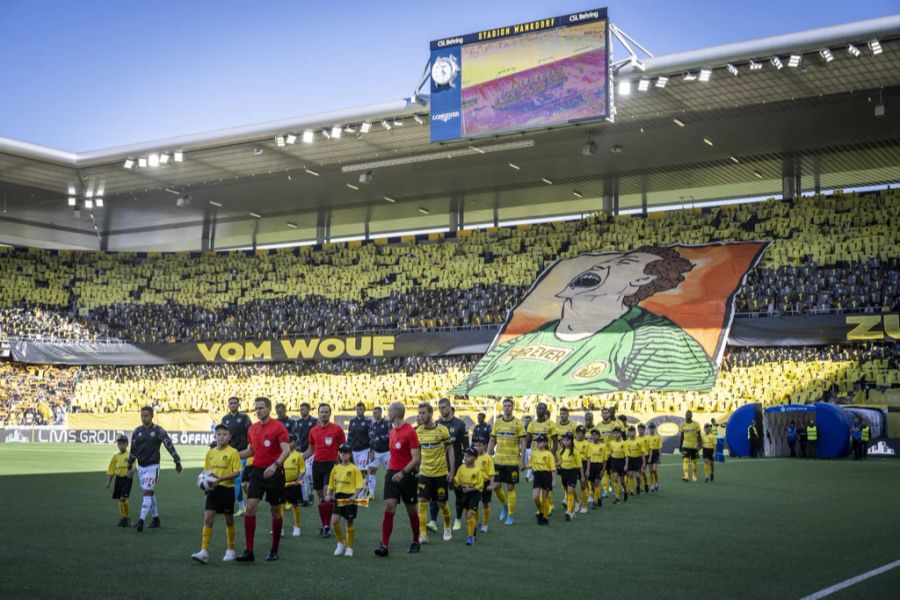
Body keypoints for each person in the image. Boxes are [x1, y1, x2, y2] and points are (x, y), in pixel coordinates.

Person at [452, 247, 717, 396]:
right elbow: (465, 389)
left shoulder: (655, 337)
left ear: (640, 281)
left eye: (625, 263)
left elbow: (676, 390)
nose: (599, 267)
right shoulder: (523, 340)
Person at [235, 397, 291, 562]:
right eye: (256, 408)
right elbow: (251, 451)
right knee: (250, 508)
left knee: (275, 510)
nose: (258, 411)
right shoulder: (252, 429)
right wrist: (233, 454)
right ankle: (249, 551)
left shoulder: (278, 427)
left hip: (275, 473)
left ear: (269, 408)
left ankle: (274, 549)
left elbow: (286, 449)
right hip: (258, 472)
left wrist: (275, 465)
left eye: (261, 408)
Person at [375, 402, 422, 557]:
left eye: (389, 411)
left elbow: (416, 458)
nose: (387, 413)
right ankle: (384, 545)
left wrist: (403, 473)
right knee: (389, 507)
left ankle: (416, 541)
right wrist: (393, 470)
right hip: (392, 473)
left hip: (406, 475)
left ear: (394, 413)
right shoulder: (392, 431)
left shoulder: (410, 432)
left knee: (411, 510)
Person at [127, 406, 182, 532]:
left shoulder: (158, 430)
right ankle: (156, 519)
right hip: (141, 467)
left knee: (146, 492)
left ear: (152, 416)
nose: (143, 418)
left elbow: (169, 444)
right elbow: (133, 450)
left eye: (146, 415)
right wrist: (129, 465)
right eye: (142, 415)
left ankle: (140, 521)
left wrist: (176, 460)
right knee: (149, 493)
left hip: (153, 466)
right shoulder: (137, 431)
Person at [191, 424, 241, 564]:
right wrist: (205, 486)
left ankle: (231, 549)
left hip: (227, 489)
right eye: (219, 434)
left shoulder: (233, 452)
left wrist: (220, 479)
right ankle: (204, 551)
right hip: (213, 490)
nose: (221, 436)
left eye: (225, 434)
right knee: (208, 519)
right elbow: (206, 473)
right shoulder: (210, 453)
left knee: (228, 519)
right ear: (215, 436)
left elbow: (237, 472)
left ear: (229, 437)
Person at [304, 403, 346, 538]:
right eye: (321, 412)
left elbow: (342, 447)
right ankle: (324, 524)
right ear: (318, 414)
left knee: (327, 496)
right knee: (321, 497)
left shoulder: (337, 429)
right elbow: (310, 449)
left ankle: (327, 526)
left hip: (331, 465)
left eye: (326, 412)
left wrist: (343, 464)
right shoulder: (313, 430)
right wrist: (299, 457)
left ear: (330, 413)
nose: (324, 414)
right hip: (317, 465)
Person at [415, 402, 454, 543]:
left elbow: (450, 450)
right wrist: (416, 469)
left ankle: (447, 527)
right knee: (422, 501)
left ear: (431, 414)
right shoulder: (418, 432)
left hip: (440, 474)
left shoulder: (442, 430)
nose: (421, 416)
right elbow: (417, 453)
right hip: (424, 474)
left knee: (442, 504)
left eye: (424, 413)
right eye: (419, 413)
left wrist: (452, 471)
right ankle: (423, 534)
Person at [488, 398, 526, 526]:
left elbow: (523, 442)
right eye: (505, 406)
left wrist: (522, 460)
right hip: (499, 460)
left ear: (513, 407)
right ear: (502, 407)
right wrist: (488, 457)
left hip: (512, 461)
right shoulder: (497, 423)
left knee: (510, 487)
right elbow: (492, 441)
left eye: (509, 405)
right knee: (496, 486)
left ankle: (510, 515)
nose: (507, 408)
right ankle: (504, 505)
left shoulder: (518, 423)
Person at [325, 445, 365, 558]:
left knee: (349, 522)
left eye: (346, 452)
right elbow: (331, 485)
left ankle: (349, 547)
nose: (343, 454)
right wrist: (328, 494)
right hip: (338, 497)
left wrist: (355, 496)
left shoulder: (354, 469)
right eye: (341, 452)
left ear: (350, 454)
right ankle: (340, 543)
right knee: (334, 521)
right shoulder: (335, 468)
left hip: (350, 497)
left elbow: (359, 485)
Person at [437, 398, 468, 531]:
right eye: (440, 408)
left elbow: (466, 446)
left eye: (444, 407)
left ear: (450, 407)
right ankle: (433, 521)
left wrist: (467, 463)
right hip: (440, 465)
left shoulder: (460, 424)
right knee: (437, 494)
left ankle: (458, 519)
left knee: (459, 493)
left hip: (457, 465)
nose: (441, 410)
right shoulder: (436, 424)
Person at [221, 396, 252, 516]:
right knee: (229, 480)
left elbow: (251, 432)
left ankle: (240, 506)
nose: (233, 405)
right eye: (231, 403)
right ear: (228, 405)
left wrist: (250, 446)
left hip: (242, 452)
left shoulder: (244, 418)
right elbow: (222, 434)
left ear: (239, 405)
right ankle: (242, 505)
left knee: (237, 480)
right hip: (229, 453)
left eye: (235, 403)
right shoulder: (225, 419)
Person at [453, 446, 486, 545]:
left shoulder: (477, 471)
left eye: (469, 456)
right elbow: (457, 480)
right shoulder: (461, 468)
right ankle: (473, 531)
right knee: (467, 515)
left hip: (474, 494)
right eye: (465, 455)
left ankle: (470, 537)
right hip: (464, 494)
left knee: (470, 514)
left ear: (475, 458)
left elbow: (480, 486)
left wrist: (470, 489)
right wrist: (455, 482)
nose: (466, 457)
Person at [106, 434, 133, 527]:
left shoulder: (129, 455)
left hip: (127, 479)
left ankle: (126, 517)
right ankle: (123, 518)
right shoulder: (115, 456)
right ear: (117, 444)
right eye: (119, 444)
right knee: (120, 500)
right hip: (118, 479)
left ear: (127, 444)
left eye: (123, 444)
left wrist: (131, 471)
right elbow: (111, 470)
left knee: (123, 498)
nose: (121, 445)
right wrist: (109, 482)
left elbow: (134, 466)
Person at [294, 402, 318, 505]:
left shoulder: (314, 421)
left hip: (311, 451)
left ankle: (310, 495)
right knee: (302, 476)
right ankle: (305, 499)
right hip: (300, 451)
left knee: (309, 474)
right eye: (300, 409)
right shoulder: (297, 422)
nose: (301, 411)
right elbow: (295, 437)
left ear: (308, 410)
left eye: (303, 409)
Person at [282, 434, 306, 537]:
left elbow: (302, 470)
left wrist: (298, 480)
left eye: (290, 441)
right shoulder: (282, 454)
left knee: (295, 505)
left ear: (295, 442)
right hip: (282, 484)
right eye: (287, 441)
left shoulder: (298, 455)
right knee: (280, 506)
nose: (288, 443)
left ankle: (297, 527)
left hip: (293, 483)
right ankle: (280, 528)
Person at [557, 432, 584, 521]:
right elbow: (560, 462)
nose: (565, 442)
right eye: (564, 440)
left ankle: (569, 511)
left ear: (572, 441)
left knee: (570, 491)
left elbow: (580, 465)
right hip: (563, 473)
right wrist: (554, 464)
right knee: (568, 490)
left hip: (572, 472)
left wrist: (582, 476)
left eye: (567, 440)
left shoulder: (575, 452)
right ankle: (577, 503)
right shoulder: (561, 451)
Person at [346, 403, 372, 494]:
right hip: (354, 450)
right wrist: (347, 447)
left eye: (360, 409)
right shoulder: (352, 421)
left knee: (362, 470)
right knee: (355, 471)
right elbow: (349, 435)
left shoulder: (368, 422)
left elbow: (371, 436)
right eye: (357, 409)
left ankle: (362, 491)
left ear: (364, 410)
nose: (359, 411)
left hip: (364, 450)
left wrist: (372, 449)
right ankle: (365, 488)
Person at [529, 434, 555, 525]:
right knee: (535, 497)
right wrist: (524, 467)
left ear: (545, 443)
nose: (538, 443)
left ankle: (545, 517)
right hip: (537, 476)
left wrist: (553, 480)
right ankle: (541, 511)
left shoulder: (549, 454)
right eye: (537, 442)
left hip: (547, 476)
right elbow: (531, 465)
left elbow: (553, 469)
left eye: (540, 442)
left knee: (545, 497)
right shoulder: (534, 453)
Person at [367, 406, 391, 500]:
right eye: (373, 413)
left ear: (381, 413)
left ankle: (391, 492)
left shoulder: (387, 423)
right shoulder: (372, 425)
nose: (375, 414)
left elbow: (391, 435)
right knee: (372, 470)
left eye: (377, 412)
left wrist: (380, 438)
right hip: (376, 452)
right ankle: (371, 493)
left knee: (390, 472)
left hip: (386, 452)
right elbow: (372, 439)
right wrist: (371, 451)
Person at [474, 438, 495, 533]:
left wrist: (491, 485)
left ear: (484, 446)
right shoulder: (473, 457)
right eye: (475, 445)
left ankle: (485, 524)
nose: (477, 447)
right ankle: (477, 520)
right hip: (475, 483)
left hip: (486, 483)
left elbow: (492, 473)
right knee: (475, 503)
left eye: (479, 445)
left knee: (485, 504)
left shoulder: (488, 458)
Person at [586, 429, 607, 508]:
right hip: (591, 465)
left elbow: (605, 460)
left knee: (596, 483)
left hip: (599, 466)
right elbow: (587, 457)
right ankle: (598, 499)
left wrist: (603, 469)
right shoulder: (589, 445)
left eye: (595, 435)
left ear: (599, 436)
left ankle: (595, 501)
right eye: (592, 435)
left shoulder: (603, 446)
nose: (594, 436)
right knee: (592, 485)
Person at [607, 429, 628, 504]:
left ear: (620, 434)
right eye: (614, 434)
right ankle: (617, 497)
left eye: (617, 433)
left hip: (622, 462)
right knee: (615, 479)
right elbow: (610, 451)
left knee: (622, 481)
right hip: (614, 461)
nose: (615, 435)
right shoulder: (611, 443)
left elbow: (626, 455)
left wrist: (626, 464)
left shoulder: (624, 443)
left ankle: (625, 491)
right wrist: (607, 456)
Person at [679, 410, 701, 482]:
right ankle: (686, 475)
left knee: (694, 461)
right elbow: (682, 436)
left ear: (692, 416)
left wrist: (699, 444)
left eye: (689, 414)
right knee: (685, 460)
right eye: (686, 415)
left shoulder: (696, 424)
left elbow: (699, 435)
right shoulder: (683, 425)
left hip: (694, 445)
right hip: (685, 445)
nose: (688, 416)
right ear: (685, 416)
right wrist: (680, 445)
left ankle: (694, 475)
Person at [574, 425, 591, 512]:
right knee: (571, 485)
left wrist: (588, 470)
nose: (581, 435)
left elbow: (588, 458)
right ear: (576, 433)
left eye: (583, 433)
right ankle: (577, 501)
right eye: (579, 433)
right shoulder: (572, 442)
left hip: (583, 465)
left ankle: (584, 506)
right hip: (573, 465)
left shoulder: (587, 443)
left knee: (583, 484)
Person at [624, 427, 644, 497]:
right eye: (630, 431)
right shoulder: (626, 442)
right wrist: (626, 464)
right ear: (628, 433)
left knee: (638, 476)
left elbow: (642, 453)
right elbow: (626, 454)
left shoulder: (639, 441)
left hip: (638, 459)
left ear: (635, 432)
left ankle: (638, 486)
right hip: (630, 459)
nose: (631, 433)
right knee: (630, 475)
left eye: (633, 431)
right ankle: (632, 491)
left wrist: (643, 464)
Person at [647, 423, 662, 492]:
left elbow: (659, 448)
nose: (651, 429)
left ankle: (657, 482)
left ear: (655, 428)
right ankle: (652, 485)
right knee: (650, 471)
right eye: (650, 428)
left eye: (653, 428)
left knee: (654, 470)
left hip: (655, 453)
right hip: (649, 453)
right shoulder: (647, 437)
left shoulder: (658, 437)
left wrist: (659, 458)